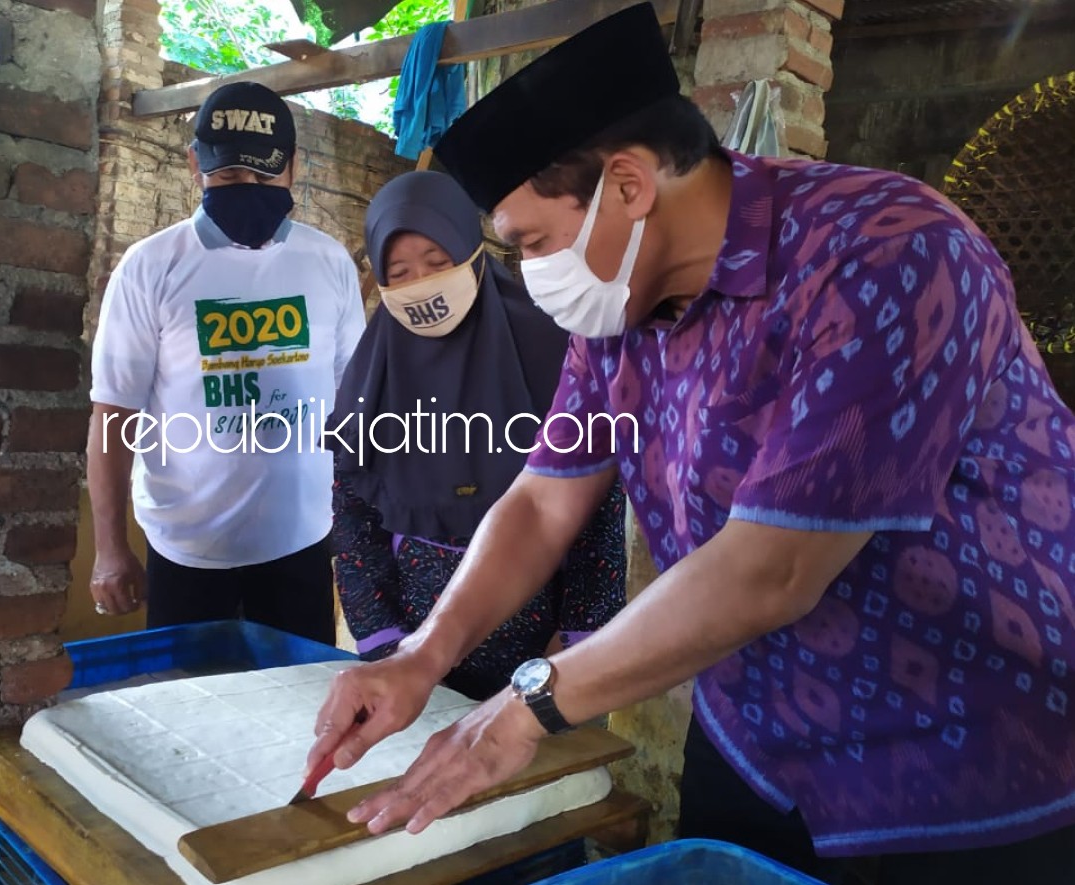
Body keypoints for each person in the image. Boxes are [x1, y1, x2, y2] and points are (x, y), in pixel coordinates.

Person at [304, 5, 1075, 884]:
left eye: (534, 243)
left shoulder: (886, 255)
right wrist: (423, 655)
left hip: (965, 763)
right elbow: (547, 494)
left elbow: (770, 569)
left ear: (628, 187)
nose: (530, 274)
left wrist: (523, 711)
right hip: (755, 737)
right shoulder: (619, 301)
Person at [330, 170, 628, 702]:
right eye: (399, 272)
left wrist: (580, 644)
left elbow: (595, 506)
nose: (420, 281)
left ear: (472, 253)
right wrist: (386, 647)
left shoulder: (553, 352)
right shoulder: (371, 381)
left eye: (438, 263)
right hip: (411, 654)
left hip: (546, 652)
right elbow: (355, 524)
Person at [86, 81, 365, 645]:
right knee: (189, 710)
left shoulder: (328, 262)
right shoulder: (150, 268)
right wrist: (110, 549)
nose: (249, 189)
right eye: (231, 176)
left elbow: (353, 404)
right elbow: (113, 416)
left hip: (302, 542)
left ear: (292, 168)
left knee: (297, 711)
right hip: (187, 548)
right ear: (196, 165)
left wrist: (360, 531)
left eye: (264, 176)